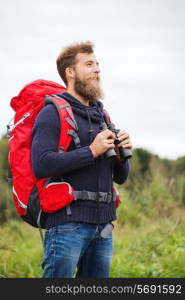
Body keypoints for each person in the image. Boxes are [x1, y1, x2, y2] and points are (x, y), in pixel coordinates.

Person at [31, 41, 133, 278]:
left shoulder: (103, 116)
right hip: (67, 226)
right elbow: (41, 164)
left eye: (97, 64)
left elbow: (121, 177)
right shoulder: (52, 112)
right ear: (70, 72)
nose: (97, 69)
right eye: (89, 64)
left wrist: (122, 155)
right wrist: (92, 151)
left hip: (104, 228)